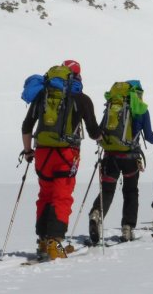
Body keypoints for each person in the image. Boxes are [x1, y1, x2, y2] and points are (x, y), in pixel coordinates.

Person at [21, 60, 100, 260]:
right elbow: (93, 132)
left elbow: (26, 126)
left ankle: (42, 241)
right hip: (66, 154)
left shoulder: (42, 95)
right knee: (62, 196)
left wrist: (28, 151)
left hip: (42, 154)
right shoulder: (81, 99)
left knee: (45, 195)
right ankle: (55, 242)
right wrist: (103, 138)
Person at [88, 80, 153, 244]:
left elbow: (101, 129)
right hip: (130, 158)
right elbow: (149, 136)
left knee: (107, 191)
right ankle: (127, 228)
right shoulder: (141, 109)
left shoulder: (112, 105)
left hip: (110, 156)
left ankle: (96, 214)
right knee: (130, 192)